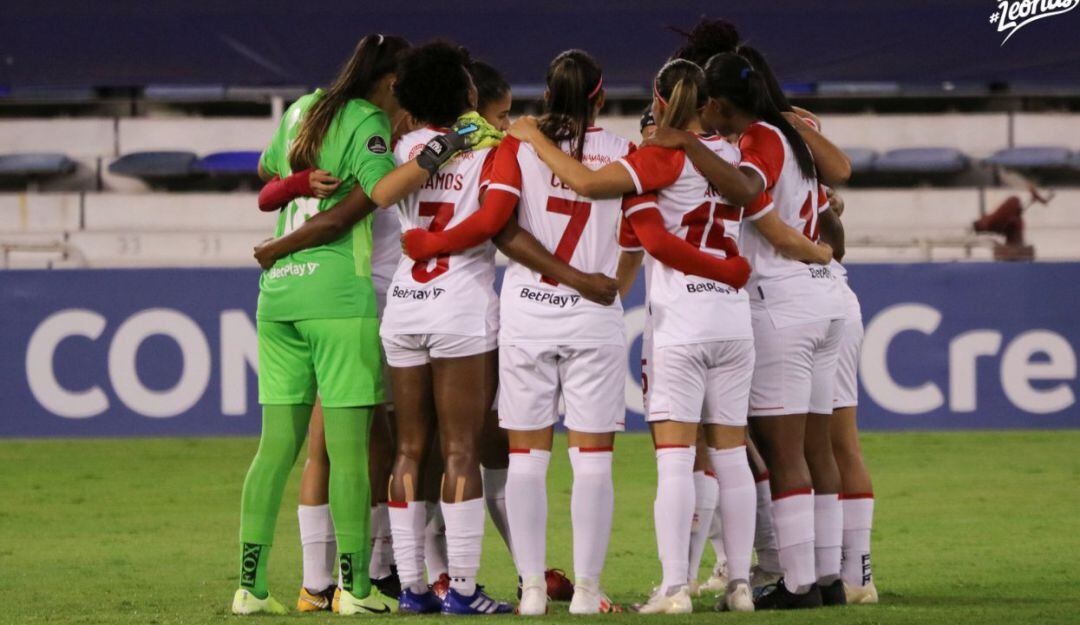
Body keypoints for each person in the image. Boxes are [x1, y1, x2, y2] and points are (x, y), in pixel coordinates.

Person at [236, 33, 500, 616]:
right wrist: (452, 143)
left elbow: (264, 172)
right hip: (356, 294)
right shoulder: (379, 134)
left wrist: (293, 199)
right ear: (390, 83)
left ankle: (287, 585)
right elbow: (373, 198)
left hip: (286, 296)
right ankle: (368, 582)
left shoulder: (307, 107)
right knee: (380, 446)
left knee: (305, 448)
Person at [507, 57, 771, 614]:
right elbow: (645, 234)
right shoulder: (732, 155)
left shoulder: (646, 158)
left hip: (653, 319)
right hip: (721, 317)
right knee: (724, 457)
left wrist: (531, 134)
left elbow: (580, 192)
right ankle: (730, 584)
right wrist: (613, 287)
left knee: (661, 460)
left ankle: (653, 587)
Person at [403, 48, 629, 616]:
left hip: (527, 312)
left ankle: (530, 590)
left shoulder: (515, 148)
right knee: (593, 459)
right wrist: (604, 283)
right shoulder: (626, 152)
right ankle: (587, 590)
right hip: (593, 316)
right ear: (600, 97)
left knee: (525, 459)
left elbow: (502, 231)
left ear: (546, 95)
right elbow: (639, 232)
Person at [644, 49, 849, 609]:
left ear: (716, 103)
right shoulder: (795, 133)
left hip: (779, 298)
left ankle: (799, 583)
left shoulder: (758, 138)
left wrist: (685, 143)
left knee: (780, 452)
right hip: (825, 296)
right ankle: (829, 576)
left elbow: (746, 190)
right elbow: (841, 176)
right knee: (816, 446)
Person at [378, 41, 515, 616]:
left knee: (409, 450)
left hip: (405, 303)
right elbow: (499, 220)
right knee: (461, 449)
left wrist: (446, 142)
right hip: (459, 306)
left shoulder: (408, 146)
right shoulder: (490, 150)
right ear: (464, 93)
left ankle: (412, 586)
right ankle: (461, 589)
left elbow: (383, 194)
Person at [818, 189, 878, 604]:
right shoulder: (808, 178)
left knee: (833, 443)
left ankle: (853, 574)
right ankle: (851, 572)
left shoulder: (756, 167)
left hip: (811, 304)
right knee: (832, 445)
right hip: (829, 301)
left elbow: (834, 247)